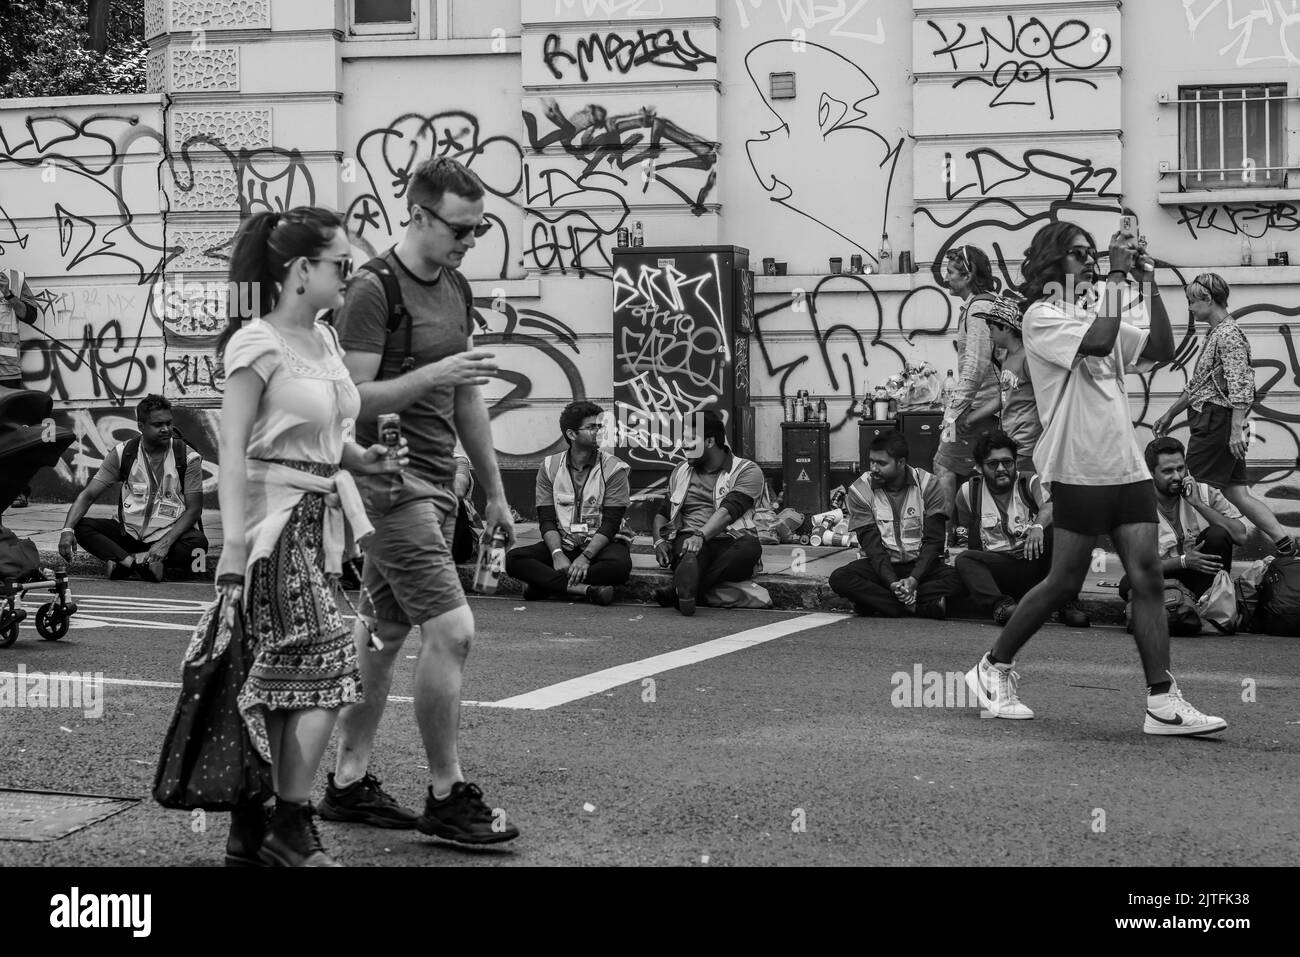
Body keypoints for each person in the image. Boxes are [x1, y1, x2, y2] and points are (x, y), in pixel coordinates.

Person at [322, 156, 520, 845]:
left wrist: (494, 490)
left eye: (479, 229)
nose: (470, 241)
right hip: (389, 485)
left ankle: (347, 782)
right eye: (462, 229)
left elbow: (465, 396)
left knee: (381, 639)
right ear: (420, 215)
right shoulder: (373, 290)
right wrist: (437, 369)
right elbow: (350, 400)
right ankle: (446, 793)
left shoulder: (456, 286)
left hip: (439, 485)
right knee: (454, 631)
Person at [965, 219, 1227, 737]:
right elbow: (1103, 339)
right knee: (1063, 582)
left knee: (1149, 576)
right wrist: (1116, 275)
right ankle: (993, 666)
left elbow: (1158, 349)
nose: (1090, 262)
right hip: (1079, 464)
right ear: (1052, 262)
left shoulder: (1090, 309)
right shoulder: (1041, 316)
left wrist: (1146, 284)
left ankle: (1162, 701)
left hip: (1124, 464)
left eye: (1093, 255)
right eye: (1080, 254)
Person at [214, 205, 406, 866]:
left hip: (317, 520)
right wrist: (234, 545)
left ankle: (254, 821)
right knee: (325, 667)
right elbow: (233, 449)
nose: (350, 278)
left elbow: (328, 437)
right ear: (300, 271)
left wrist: (359, 458)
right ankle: (288, 824)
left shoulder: (321, 339)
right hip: (271, 526)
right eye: (339, 266)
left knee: (279, 675)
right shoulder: (256, 342)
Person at [1152, 272, 1295, 556]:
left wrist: (1234, 431)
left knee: (1181, 480)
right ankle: (1286, 542)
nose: (1190, 308)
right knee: (1236, 492)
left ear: (1207, 299)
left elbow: (1242, 385)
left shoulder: (1228, 335)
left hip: (1216, 423)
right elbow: (1198, 385)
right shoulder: (1217, 333)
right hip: (1216, 420)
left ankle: (1174, 549)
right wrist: (1170, 413)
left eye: (1192, 302)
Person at [57, 394, 208, 582]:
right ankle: (142, 566)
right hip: (127, 533)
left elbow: (194, 509)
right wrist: (67, 531)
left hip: (167, 533)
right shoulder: (123, 453)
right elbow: (88, 496)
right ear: (141, 427)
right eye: (158, 425)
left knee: (198, 545)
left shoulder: (187, 457)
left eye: (168, 423)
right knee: (81, 526)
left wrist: (164, 543)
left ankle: (124, 563)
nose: (166, 429)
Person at [954, 431, 1089, 626]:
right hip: (999, 568)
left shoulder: (1029, 481)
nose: (1001, 469)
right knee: (965, 559)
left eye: (1007, 462)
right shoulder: (968, 492)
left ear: (1015, 463)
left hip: (1033, 560)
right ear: (979, 468)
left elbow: (1050, 505)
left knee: (1060, 529)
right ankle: (1002, 607)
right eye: (993, 464)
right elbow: (964, 537)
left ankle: (1065, 603)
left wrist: (1038, 527)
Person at [505, 400, 632, 604]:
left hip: (601, 545)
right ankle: (586, 590)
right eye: (592, 427)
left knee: (619, 567)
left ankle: (543, 587)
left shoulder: (615, 468)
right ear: (572, 434)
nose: (599, 431)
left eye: (601, 426)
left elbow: (611, 523)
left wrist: (586, 557)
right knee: (513, 559)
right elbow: (546, 519)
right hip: (564, 543)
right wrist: (556, 554)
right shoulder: (549, 466)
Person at [829, 431, 962, 619]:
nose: (874, 468)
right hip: (882, 568)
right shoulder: (859, 491)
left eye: (881, 463)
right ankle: (913, 607)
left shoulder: (928, 484)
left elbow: (934, 542)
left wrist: (913, 580)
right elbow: (873, 549)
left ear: (901, 463)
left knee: (959, 578)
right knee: (840, 578)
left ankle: (879, 604)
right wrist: (892, 583)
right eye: (872, 461)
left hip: (920, 567)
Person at [651, 410, 764, 616]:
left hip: (731, 540)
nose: (683, 445)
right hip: (688, 539)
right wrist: (658, 541)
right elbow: (663, 512)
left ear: (710, 441)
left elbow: (729, 511)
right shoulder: (680, 470)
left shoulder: (747, 470)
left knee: (749, 547)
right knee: (691, 555)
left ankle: (684, 590)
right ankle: (689, 585)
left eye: (690, 440)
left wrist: (701, 535)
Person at [1121, 436, 1246, 602]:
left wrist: (1198, 504)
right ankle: (1176, 605)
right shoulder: (1136, 505)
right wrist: (1184, 561)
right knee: (1128, 583)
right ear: (1151, 473)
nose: (1177, 476)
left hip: (1203, 577)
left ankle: (1208, 602)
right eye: (1167, 471)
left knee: (1217, 534)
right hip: (1164, 576)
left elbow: (1240, 536)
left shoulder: (1203, 493)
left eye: (1180, 468)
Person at [934, 245, 1003, 543]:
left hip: (979, 408)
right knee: (979, 472)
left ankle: (940, 540)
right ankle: (975, 538)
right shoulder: (988, 304)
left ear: (969, 274)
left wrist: (952, 414)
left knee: (944, 465)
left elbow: (974, 366)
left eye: (951, 272)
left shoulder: (977, 310)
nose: (946, 278)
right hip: (992, 407)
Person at [985, 306, 1042, 474]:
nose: (990, 335)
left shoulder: (1028, 358)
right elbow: (1002, 398)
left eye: (992, 329)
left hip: (1027, 441)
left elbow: (1044, 397)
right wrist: (970, 418)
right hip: (1011, 438)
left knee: (1024, 488)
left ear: (1007, 328)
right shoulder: (1008, 357)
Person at [1, 264, 40, 507]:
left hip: (6, 370)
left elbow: (31, 315)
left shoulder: (14, 279)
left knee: (12, 433)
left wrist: (8, 294)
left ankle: (18, 490)